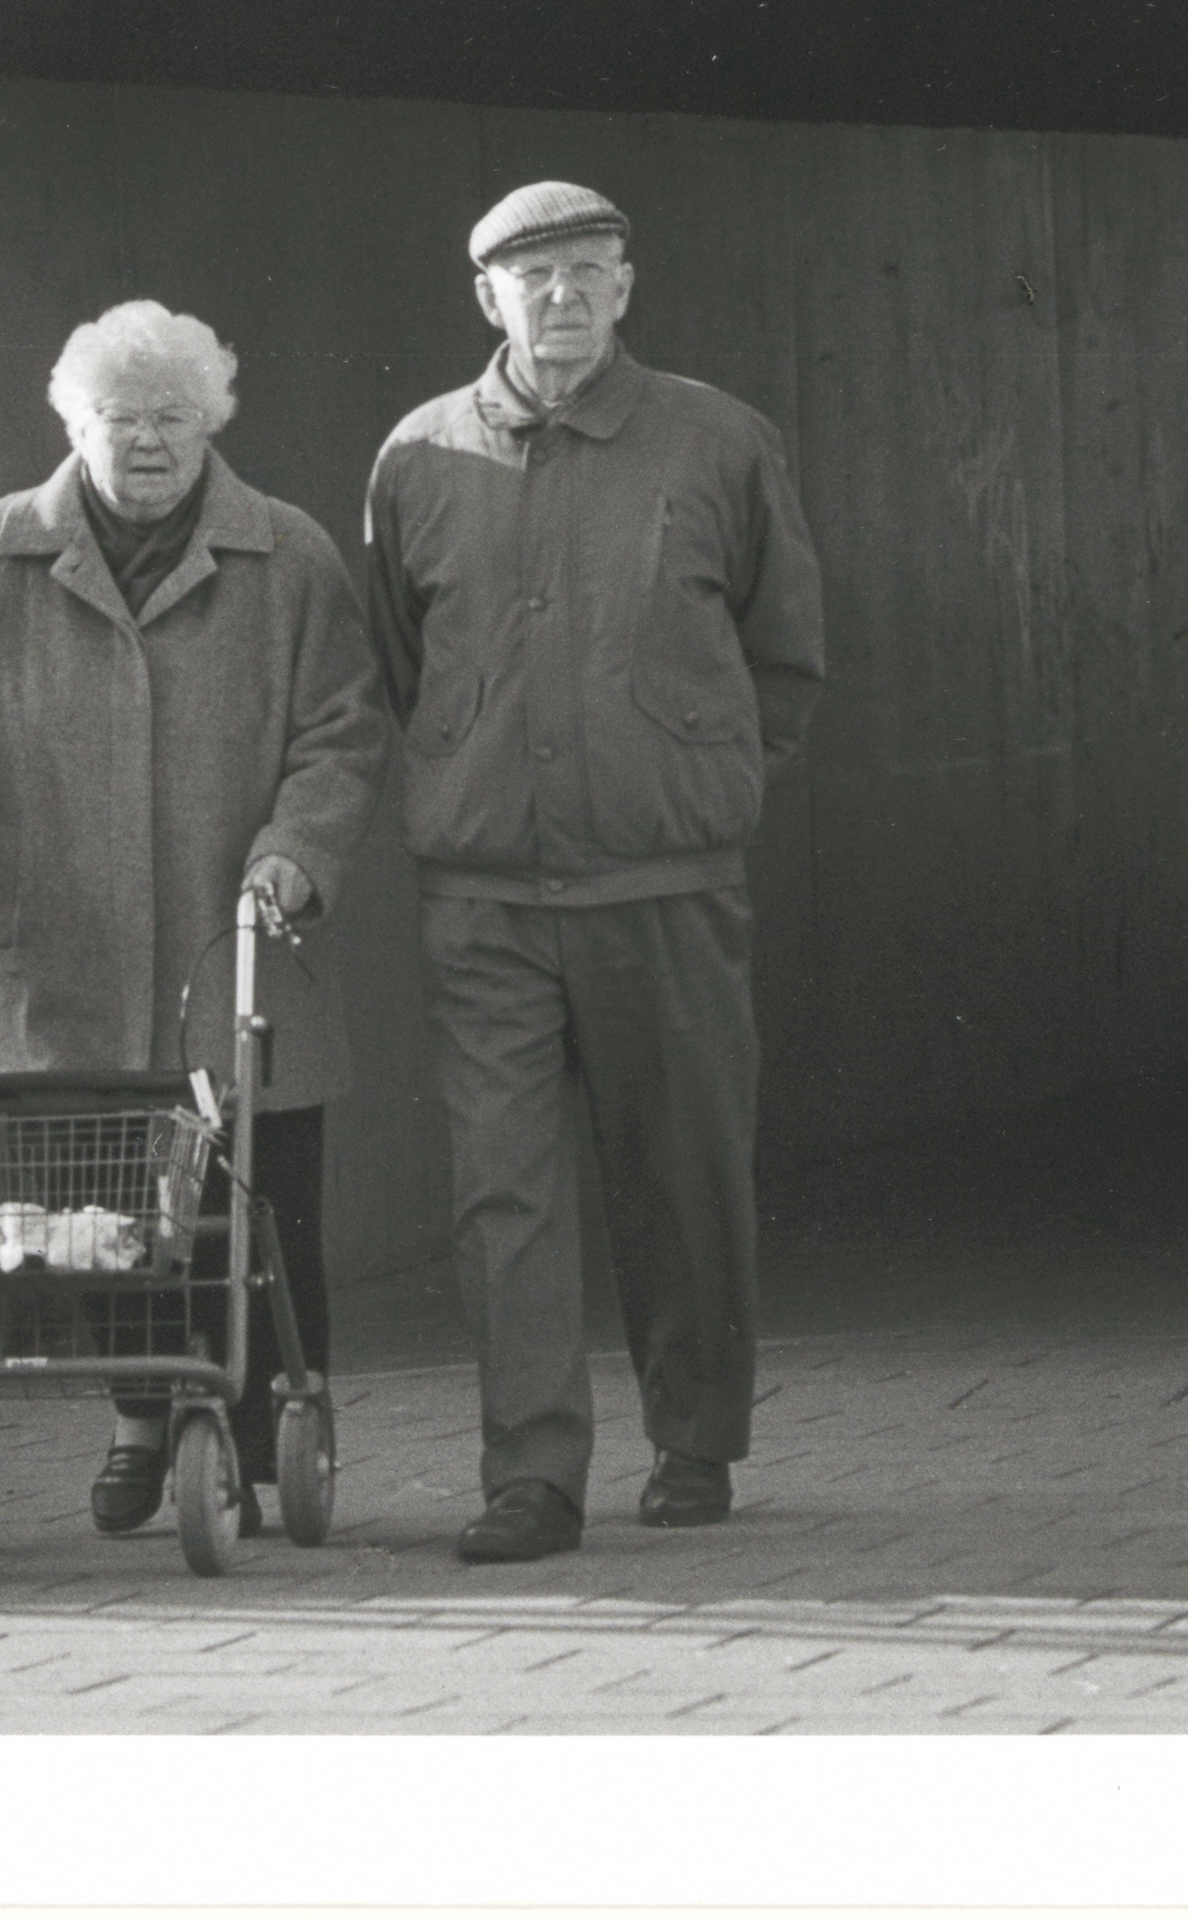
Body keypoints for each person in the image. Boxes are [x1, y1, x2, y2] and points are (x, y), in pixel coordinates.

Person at [0, 300, 387, 1536]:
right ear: (73, 423)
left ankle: (257, 1435)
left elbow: (345, 728)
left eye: (174, 418)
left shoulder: (289, 556)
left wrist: (295, 852)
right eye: (120, 417)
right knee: (90, 1221)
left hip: (231, 946)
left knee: (256, 1212)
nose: (147, 442)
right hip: (59, 958)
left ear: (213, 424)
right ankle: (148, 1417)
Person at [363, 183, 824, 1563]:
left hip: (663, 884)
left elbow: (783, 654)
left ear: (624, 288)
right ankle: (531, 1477)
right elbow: (401, 658)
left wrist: (692, 781)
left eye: (585, 271)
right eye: (532, 275)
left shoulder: (718, 440)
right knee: (501, 1189)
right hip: (487, 896)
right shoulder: (417, 456)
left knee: (681, 1170)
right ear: (485, 297)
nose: (559, 296)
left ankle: (695, 1438)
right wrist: (475, 771)